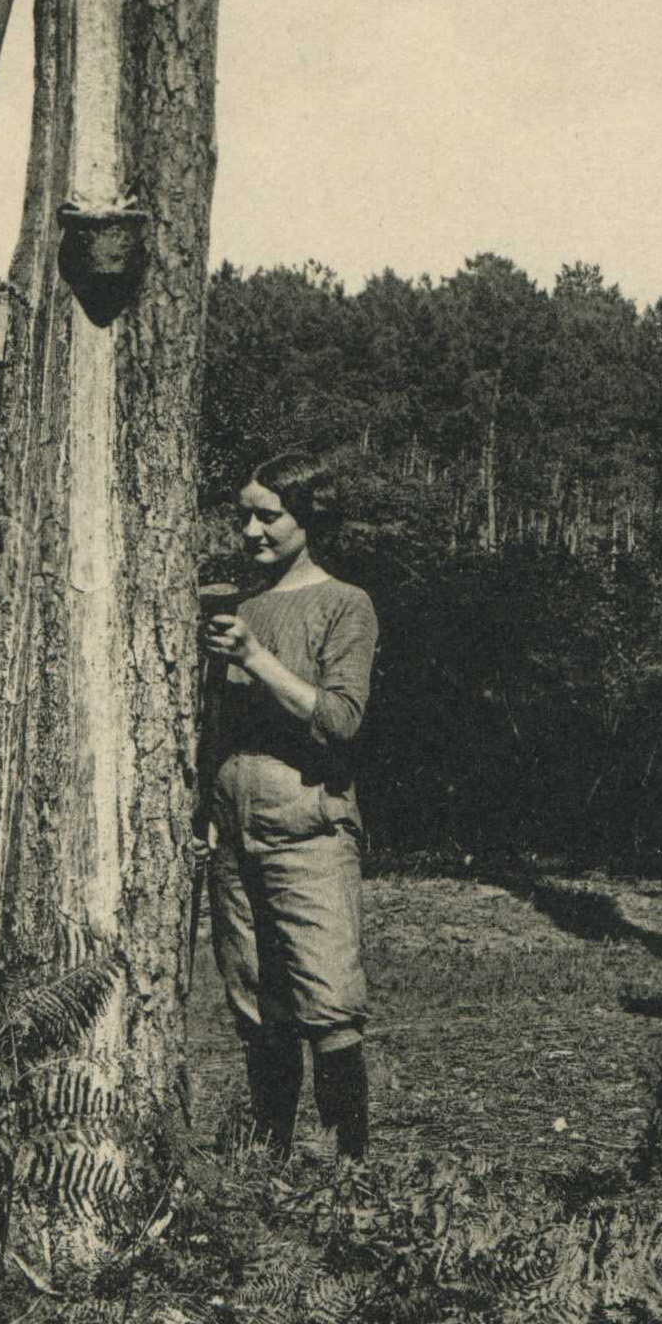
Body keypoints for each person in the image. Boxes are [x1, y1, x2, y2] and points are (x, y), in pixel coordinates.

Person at [200, 450, 378, 1161]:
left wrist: (256, 660)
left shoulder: (345, 604)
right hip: (233, 833)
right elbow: (213, 725)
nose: (250, 530)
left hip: (309, 829)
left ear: (309, 517)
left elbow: (341, 719)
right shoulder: (239, 607)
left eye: (267, 515)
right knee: (256, 1003)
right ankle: (269, 1156)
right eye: (243, 514)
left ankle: (349, 1171)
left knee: (329, 1001)